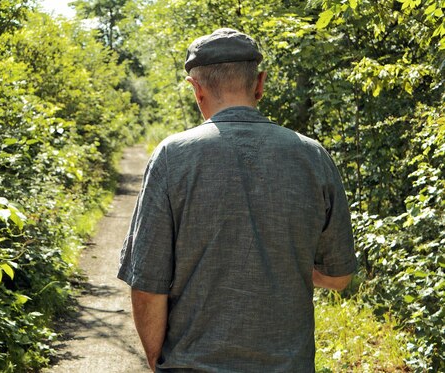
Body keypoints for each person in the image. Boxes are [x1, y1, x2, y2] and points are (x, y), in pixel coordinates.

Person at [117, 28, 357, 372]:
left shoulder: (172, 156)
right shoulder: (312, 156)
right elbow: (339, 277)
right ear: (259, 84)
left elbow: (147, 284)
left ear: (196, 90)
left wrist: (157, 363)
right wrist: (284, 264)